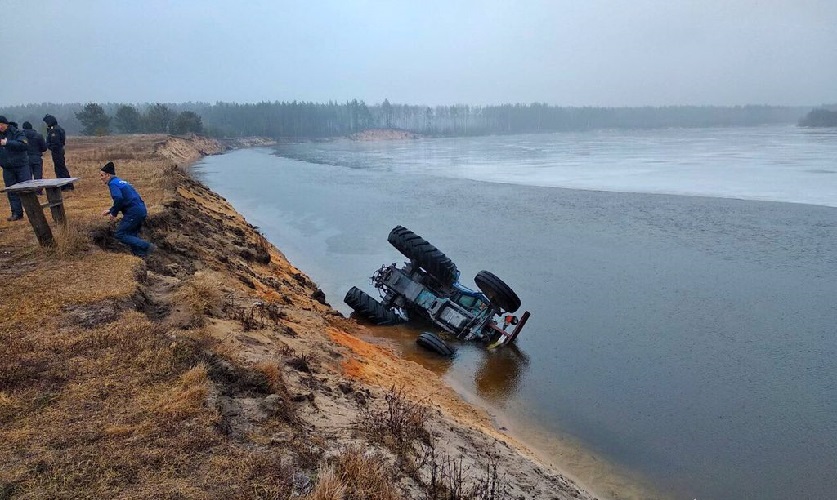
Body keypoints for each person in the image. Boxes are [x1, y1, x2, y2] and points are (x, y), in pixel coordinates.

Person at [100, 161, 154, 257]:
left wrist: (114, 213)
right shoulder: (120, 182)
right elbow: (126, 198)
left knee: (120, 234)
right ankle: (140, 255)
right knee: (131, 234)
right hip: (140, 209)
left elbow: (119, 198)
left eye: (102, 175)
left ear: (108, 175)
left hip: (133, 212)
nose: (101, 178)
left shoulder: (112, 184)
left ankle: (147, 246)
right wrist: (110, 210)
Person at [0, 116, 31, 221]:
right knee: (11, 191)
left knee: (26, 189)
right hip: (7, 168)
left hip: (21, 166)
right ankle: (16, 213)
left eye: (1, 124)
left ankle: (32, 212)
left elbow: (24, 144)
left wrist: (7, 143)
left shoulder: (17, 132)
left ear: (6, 124)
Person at [42, 114, 73, 191]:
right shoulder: (58, 128)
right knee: (61, 167)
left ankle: (65, 185)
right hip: (59, 150)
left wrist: (48, 145)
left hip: (57, 151)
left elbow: (55, 143)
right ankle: (67, 184)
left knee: (60, 168)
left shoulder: (54, 130)